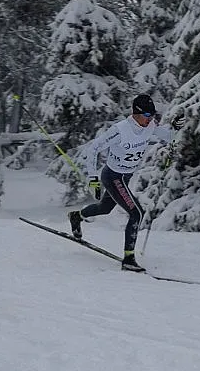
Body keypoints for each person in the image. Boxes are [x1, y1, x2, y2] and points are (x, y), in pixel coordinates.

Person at [68, 94, 184, 272]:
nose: (150, 119)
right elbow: (93, 149)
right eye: (147, 115)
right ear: (136, 113)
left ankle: (77, 216)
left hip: (125, 176)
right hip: (113, 176)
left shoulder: (150, 126)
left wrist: (175, 128)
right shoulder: (120, 130)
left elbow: (170, 137)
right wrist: (92, 178)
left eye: (152, 115)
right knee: (136, 213)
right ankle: (129, 258)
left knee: (104, 208)